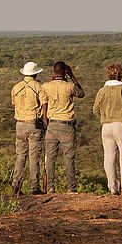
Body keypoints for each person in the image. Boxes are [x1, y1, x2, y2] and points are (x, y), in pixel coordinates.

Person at [92, 62, 122, 195]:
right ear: (121, 74)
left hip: (106, 126)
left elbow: (95, 109)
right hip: (121, 125)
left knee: (109, 158)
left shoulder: (102, 90)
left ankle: (113, 188)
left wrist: (105, 115)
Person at [39, 61, 83, 192]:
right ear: (65, 72)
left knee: (50, 158)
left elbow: (44, 103)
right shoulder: (69, 86)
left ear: (54, 72)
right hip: (66, 125)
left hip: (52, 124)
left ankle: (51, 188)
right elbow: (81, 93)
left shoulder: (46, 86)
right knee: (69, 158)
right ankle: (71, 188)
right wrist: (72, 75)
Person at [9, 62, 47, 195]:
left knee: (20, 156)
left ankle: (16, 185)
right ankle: (34, 187)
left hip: (19, 124)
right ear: (36, 73)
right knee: (34, 157)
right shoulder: (38, 86)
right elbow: (44, 104)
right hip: (33, 124)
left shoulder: (16, 87)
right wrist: (44, 119)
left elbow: (14, 103)